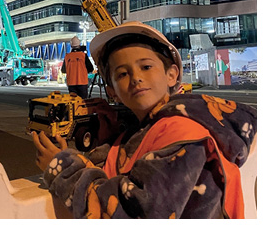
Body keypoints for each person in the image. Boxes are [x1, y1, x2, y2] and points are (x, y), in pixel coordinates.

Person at [32, 21, 256, 219]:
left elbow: (130, 214)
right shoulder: (146, 130)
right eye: (122, 74)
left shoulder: (181, 135)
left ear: (172, 74)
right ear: (112, 91)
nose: (136, 77)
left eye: (146, 67)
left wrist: (61, 168)